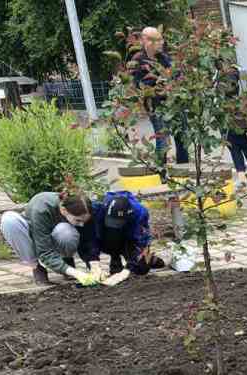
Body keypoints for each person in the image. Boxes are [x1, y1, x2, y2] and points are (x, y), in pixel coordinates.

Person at [0, 191, 105, 286]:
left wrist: (94, 265)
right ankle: (37, 267)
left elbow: (89, 238)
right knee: (9, 220)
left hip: (58, 234)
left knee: (65, 231)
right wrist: (76, 273)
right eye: (78, 221)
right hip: (35, 235)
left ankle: (66, 260)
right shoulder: (41, 208)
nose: (81, 225)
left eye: (84, 221)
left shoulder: (84, 208)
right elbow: (45, 252)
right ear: (63, 210)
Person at [130, 27, 189, 166]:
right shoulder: (138, 61)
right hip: (155, 106)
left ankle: (184, 169)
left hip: (173, 103)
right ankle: (161, 174)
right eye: (158, 40)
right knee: (162, 139)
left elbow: (177, 74)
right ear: (147, 41)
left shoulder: (163, 57)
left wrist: (177, 78)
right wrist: (157, 83)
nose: (162, 42)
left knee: (182, 135)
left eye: (161, 39)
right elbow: (139, 85)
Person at [92, 191, 166, 285]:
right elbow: (93, 236)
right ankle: (115, 259)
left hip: (129, 237)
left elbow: (141, 239)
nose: (115, 225)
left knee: (141, 269)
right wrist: (94, 264)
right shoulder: (100, 208)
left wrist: (127, 270)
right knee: (112, 234)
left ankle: (149, 258)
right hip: (107, 237)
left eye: (117, 223)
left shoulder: (140, 213)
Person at [221, 61, 247, 190]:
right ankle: (245, 176)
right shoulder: (223, 73)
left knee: (240, 144)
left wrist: (217, 86)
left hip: (234, 114)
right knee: (236, 145)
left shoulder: (231, 73)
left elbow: (230, 90)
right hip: (227, 113)